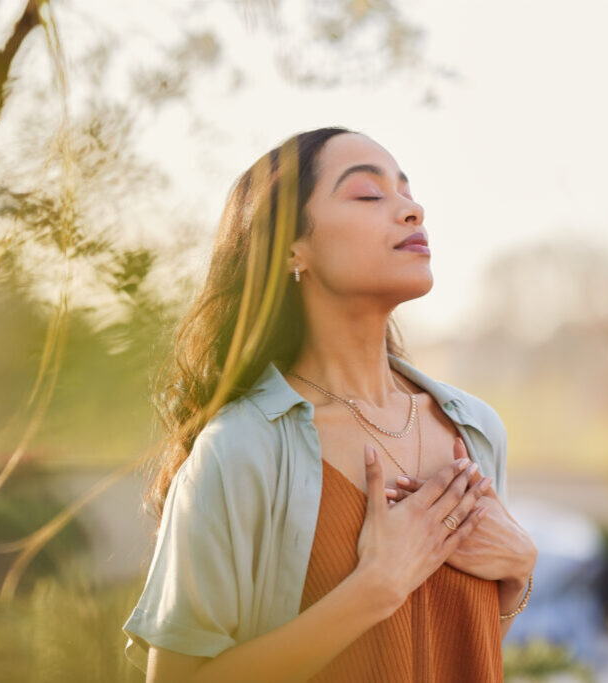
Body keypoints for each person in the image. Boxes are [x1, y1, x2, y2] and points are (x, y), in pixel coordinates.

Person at [121, 126, 538, 682]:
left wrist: (517, 576)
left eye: (407, 192)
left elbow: (454, 647)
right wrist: (373, 589)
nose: (412, 209)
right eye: (369, 194)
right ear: (294, 248)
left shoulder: (477, 429)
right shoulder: (241, 450)